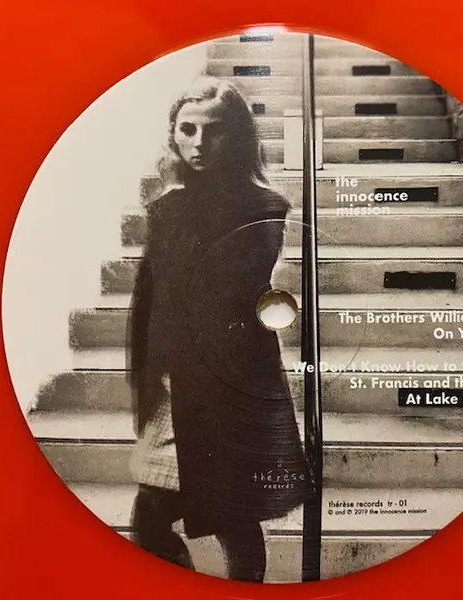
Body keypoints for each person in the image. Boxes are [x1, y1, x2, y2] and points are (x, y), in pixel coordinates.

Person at [127, 76, 310, 583]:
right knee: (151, 514)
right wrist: (151, 375)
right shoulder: (168, 209)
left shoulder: (262, 207)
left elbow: (222, 294)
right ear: (173, 134)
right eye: (187, 129)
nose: (199, 143)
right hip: (176, 384)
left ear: (239, 136)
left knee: (234, 519)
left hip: (228, 383)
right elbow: (152, 299)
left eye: (214, 130)